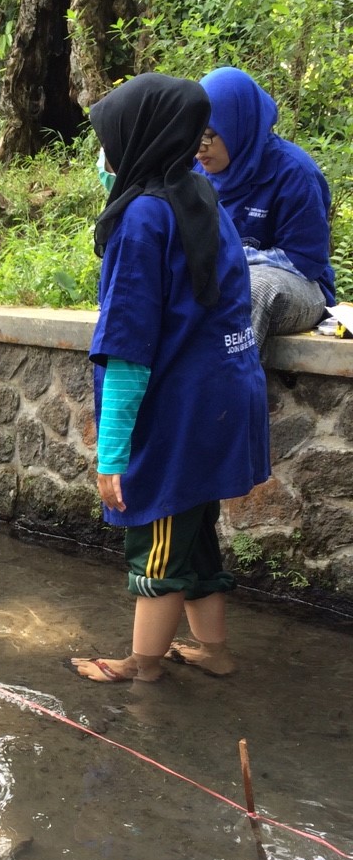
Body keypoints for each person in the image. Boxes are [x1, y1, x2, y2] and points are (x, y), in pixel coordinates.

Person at [71, 72, 270, 684]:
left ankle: (142, 666)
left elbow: (128, 351)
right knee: (193, 533)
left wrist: (112, 456)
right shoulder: (198, 193)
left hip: (180, 411)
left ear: (140, 138)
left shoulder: (141, 222)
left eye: (110, 141)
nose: (104, 158)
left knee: (155, 536)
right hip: (226, 395)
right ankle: (214, 650)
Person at [197, 67, 335, 358]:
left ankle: (231, 389)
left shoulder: (294, 171)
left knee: (251, 288)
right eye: (193, 136)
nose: (199, 149)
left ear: (237, 127)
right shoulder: (196, 172)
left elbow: (305, 262)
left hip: (301, 287)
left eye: (208, 136)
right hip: (223, 277)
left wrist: (232, 258)